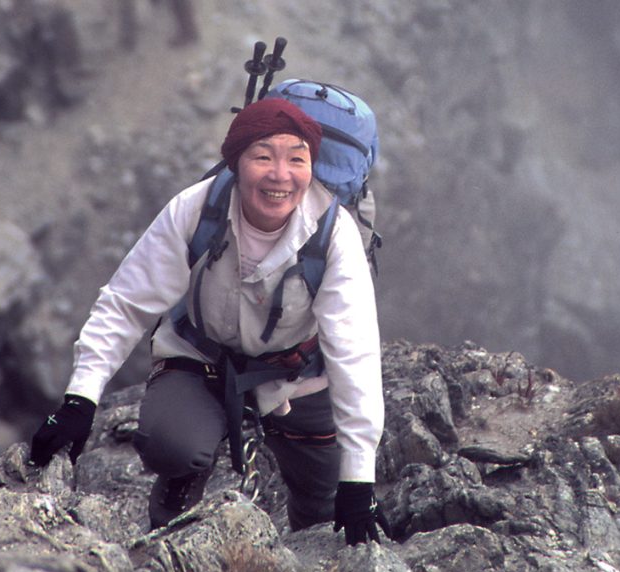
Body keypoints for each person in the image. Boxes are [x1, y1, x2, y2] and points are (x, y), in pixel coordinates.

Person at [29, 98, 389, 545]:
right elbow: (125, 302)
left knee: (324, 503)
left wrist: (358, 480)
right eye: (263, 156)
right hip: (204, 357)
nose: (281, 174)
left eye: (297, 159)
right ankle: (173, 522)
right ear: (236, 163)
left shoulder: (334, 236)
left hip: (298, 377)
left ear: (312, 166)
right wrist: (80, 399)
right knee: (172, 445)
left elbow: (354, 353)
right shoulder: (197, 208)